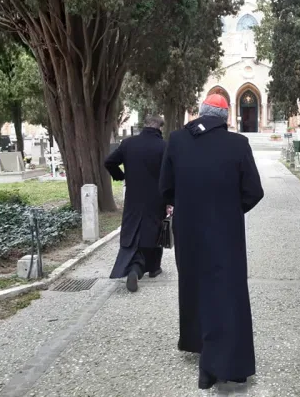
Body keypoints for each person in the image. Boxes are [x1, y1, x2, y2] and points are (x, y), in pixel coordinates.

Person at [159, 94, 264, 390]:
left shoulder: (178, 140)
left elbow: (165, 188)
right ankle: (233, 365)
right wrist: (230, 209)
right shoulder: (238, 144)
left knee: (195, 287)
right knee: (228, 292)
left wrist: (186, 204)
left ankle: (203, 352)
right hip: (226, 231)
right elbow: (254, 191)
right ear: (225, 117)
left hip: (189, 229)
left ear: (201, 114)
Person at [105, 114, 168, 292]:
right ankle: (150, 268)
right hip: (157, 198)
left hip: (133, 197)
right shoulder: (164, 146)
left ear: (144, 125)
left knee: (133, 231)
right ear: (159, 128)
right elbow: (170, 175)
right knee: (155, 231)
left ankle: (136, 267)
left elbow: (109, 162)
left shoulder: (128, 144)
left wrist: (121, 176)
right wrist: (171, 200)